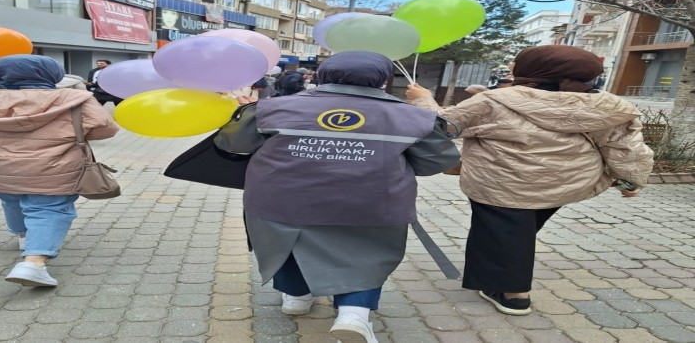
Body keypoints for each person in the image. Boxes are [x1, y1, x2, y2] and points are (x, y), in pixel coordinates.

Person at [215, 52, 457, 343]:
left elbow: (232, 144)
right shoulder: (414, 116)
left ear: (321, 75)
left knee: (288, 243)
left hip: (282, 200)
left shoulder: (272, 107)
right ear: (383, 80)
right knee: (368, 252)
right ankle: (354, 315)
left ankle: (297, 297)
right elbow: (435, 162)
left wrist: (242, 115)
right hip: (374, 203)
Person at [406, 45, 654, 316]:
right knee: (516, 232)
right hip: (566, 183)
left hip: (502, 183)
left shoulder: (494, 101)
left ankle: (514, 294)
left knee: (507, 234)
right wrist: (631, 180)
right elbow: (626, 148)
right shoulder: (608, 106)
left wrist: (423, 100)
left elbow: (442, 126)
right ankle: (498, 276)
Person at [0, 55, 119, 287]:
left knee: (11, 197)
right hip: (52, 166)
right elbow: (105, 129)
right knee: (50, 207)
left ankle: (24, 235)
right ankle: (33, 264)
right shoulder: (73, 98)